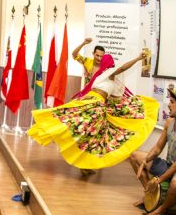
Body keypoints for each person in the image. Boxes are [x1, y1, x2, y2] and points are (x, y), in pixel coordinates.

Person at [27, 52, 159, 171]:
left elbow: (115, 93)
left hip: (95, 104)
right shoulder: (104, 74)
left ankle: (85, 164)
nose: (102, 62)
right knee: (76, 125)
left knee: (87, 134)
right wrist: (137, 57)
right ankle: (52, 133)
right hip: (92, 104)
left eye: (103, 59)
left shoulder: (107, 75)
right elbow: (121, 68)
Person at [129, 87, 176, 215]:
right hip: (168, 165)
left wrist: (158, 180)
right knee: (134, 156)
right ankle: (149, 197)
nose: (169, 104)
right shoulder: (169, 123)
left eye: (172, 102)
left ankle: (160, 211)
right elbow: (158, 148)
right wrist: (144, 161)